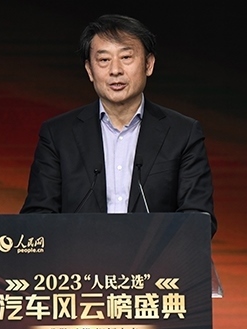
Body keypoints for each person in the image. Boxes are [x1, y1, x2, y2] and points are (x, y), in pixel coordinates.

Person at [20, 14, 217, 236]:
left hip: (155, 258)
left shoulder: (183, 133)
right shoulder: (58, 135)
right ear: (89, 70)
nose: (115, 70)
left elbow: (198, 219)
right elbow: (37, 216)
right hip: (79, 256)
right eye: (104, 60)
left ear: (149, 64)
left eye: (126, 57)